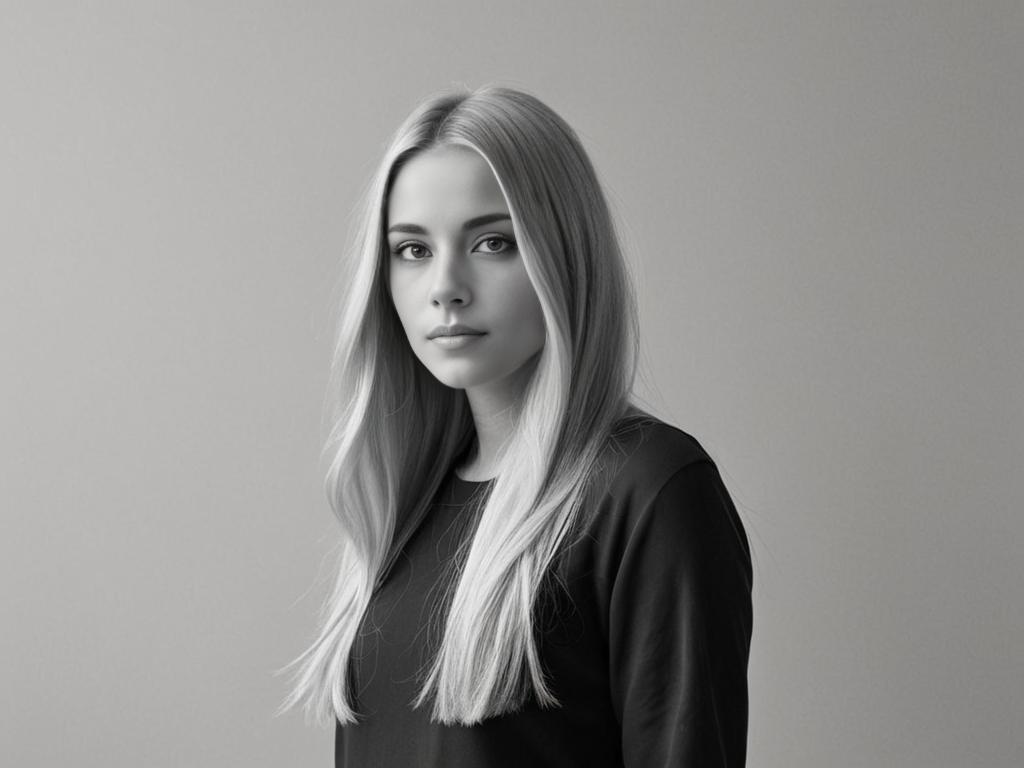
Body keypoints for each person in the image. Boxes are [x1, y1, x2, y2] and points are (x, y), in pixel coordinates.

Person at [281, 85, 753, 767]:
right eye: (412, 249)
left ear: (562, 253)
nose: (446, 285)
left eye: (493, 242)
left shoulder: (649, 492)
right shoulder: (404, 510)